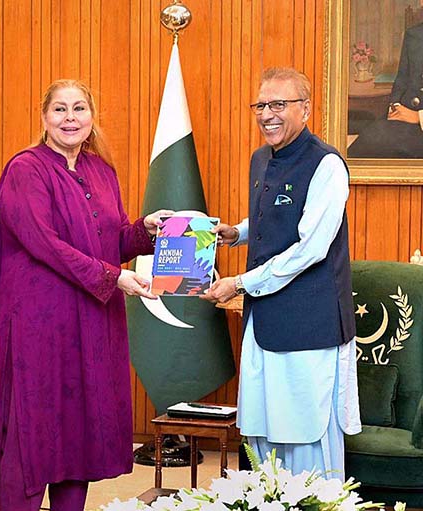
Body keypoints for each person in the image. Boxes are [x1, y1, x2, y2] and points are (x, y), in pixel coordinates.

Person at [0, 79, 172, 511]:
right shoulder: (25, 169)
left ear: (91, 116)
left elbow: (111, 239)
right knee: (31, 439)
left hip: (90, 325)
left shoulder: (102, 171)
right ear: (44, 116)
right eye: (60, 109)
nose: (70, 118)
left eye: (79, 109)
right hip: (39, 329)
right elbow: (45, 243)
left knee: (76, 440)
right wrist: (113, 278)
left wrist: (145, 230)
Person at [202, 67, 360, 477]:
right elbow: (275, 218)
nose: (266, 114)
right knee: (262, 435)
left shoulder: (327, 165)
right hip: (264, 318)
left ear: (305, 109)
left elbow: (310, 248)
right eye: (261, 105)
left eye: (279, 104)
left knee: (305, 433)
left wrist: (239, 283)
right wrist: (235, 233)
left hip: (310, 324)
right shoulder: (260, 159)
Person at [348, 23, 423, 158]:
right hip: (403, 114)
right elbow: (402, 77)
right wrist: (395, 106)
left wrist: (418, 117)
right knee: (363, 128)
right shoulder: (413, 34)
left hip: (419, 126)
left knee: (376, 138)